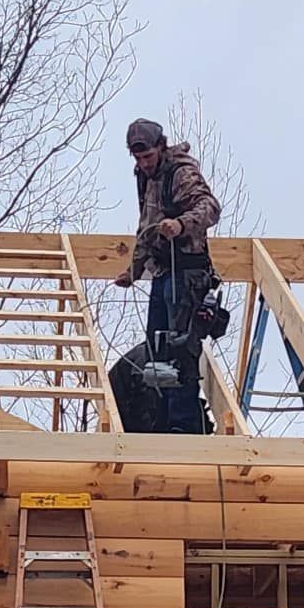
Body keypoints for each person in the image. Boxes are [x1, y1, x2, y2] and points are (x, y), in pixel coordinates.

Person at [113, 117, 221, 434]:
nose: (143, 163)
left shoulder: (181, 173)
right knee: (156, 351)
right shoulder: (144, 177)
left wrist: (181, 224)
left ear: (161, 147)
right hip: (163, 271)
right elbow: (146, 227)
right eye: (138, 158)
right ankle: (162, 420)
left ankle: (184, 423)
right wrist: (133, 271)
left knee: (180, 348)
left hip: (187, 272)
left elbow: (210, 207)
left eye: (147, 157)